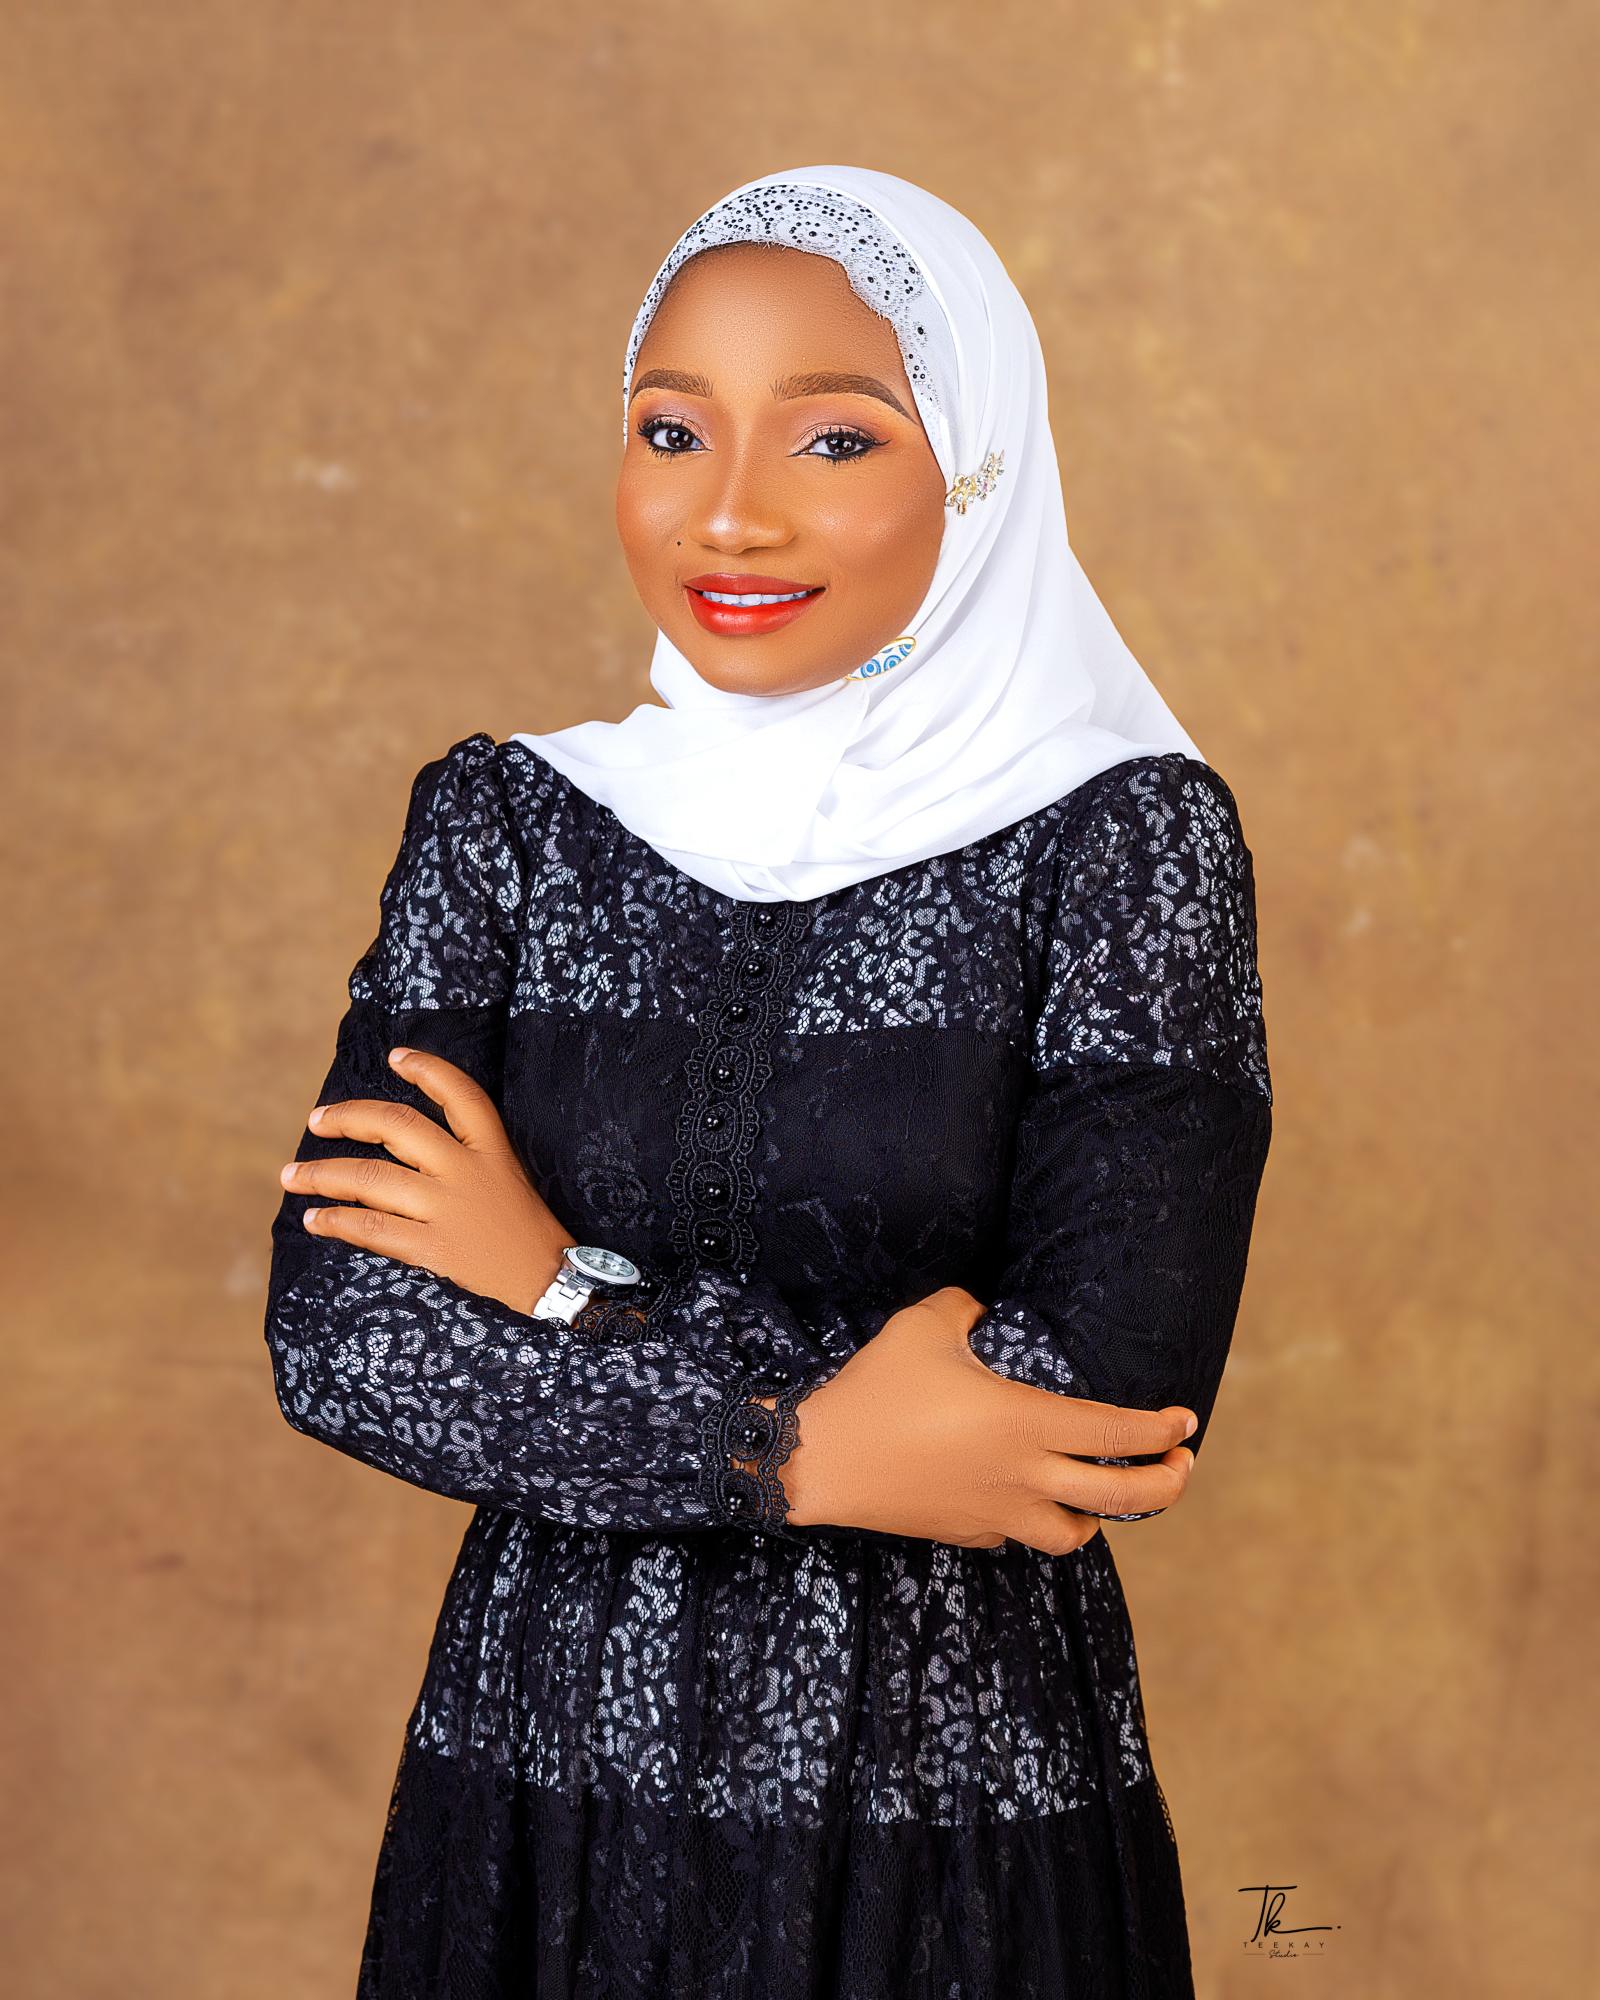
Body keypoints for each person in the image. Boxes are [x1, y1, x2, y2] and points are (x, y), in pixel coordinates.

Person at [263, 164, 1273, 2000]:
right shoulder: (506, 823)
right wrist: (815, 1447)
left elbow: (1102, 1401)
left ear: (972, 470)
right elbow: (347, 1338)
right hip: (540, 1787)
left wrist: (558, 1288)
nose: (726, 515)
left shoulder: (1124, 844)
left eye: (833, 441)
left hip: (956, 1811)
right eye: (671, 428)